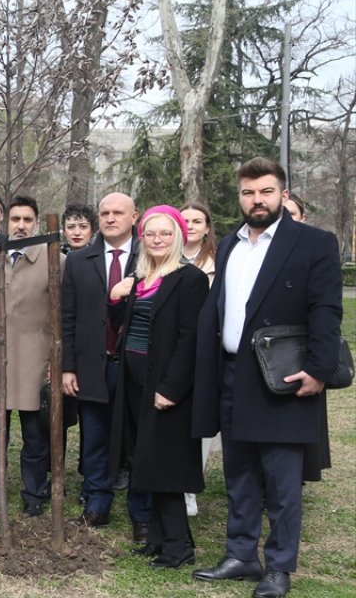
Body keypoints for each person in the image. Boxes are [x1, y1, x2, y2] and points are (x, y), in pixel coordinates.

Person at [191, 158, 343, 598]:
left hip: (284, 377)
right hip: (233, 373)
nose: (257, 201)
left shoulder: (314, 243)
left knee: (281, 480)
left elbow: (326, 310)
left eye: (266, 192)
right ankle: (240, 556)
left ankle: (278, 566)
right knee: (239, 473)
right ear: (239, 196)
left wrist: (318, 368)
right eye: (248, 192)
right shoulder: (231, 245)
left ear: (283, 194)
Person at [107, 206, 208, 568]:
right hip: (134, 383)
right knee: (143, 461)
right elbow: (124, 327)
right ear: (142, 239)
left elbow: (189, 339)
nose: (158, 240)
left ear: (178, 236)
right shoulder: (142, 278)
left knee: (167, 466)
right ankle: (160, 539)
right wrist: (117, 298)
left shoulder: (189, 279)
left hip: (165, 387)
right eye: (151, 234)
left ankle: (178, 548)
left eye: (166, 233)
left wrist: (171, 388)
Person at [60, 193, 151, 540]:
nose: (111, 218)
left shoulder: (150, 256)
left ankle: (142, 513)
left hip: (136, 367)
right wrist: (69, 366)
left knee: (137, 441)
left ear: (134, 217)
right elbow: (67, 317)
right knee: (94, 438)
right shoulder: (81, 260)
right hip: (92, 367)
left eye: (118, 213)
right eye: (105, 213)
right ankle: (96, 504)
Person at [0, 196, 57, 517]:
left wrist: (55, 362)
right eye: (15, 219)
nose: (20, 226)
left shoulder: (53, 258)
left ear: (36, 223)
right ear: (4, 222)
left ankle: (33, 494)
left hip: (36, 360)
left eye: (27, 220)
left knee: (34, 435)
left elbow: (60, 315)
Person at [179, 201, 217, 517]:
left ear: (207, 227)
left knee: (201, 424)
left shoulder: (221, 262)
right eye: (185, 219)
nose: (190, 225)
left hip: (206, 352)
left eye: (197, 220)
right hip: (173, 351)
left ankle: (191, 487)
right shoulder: (161, 256)